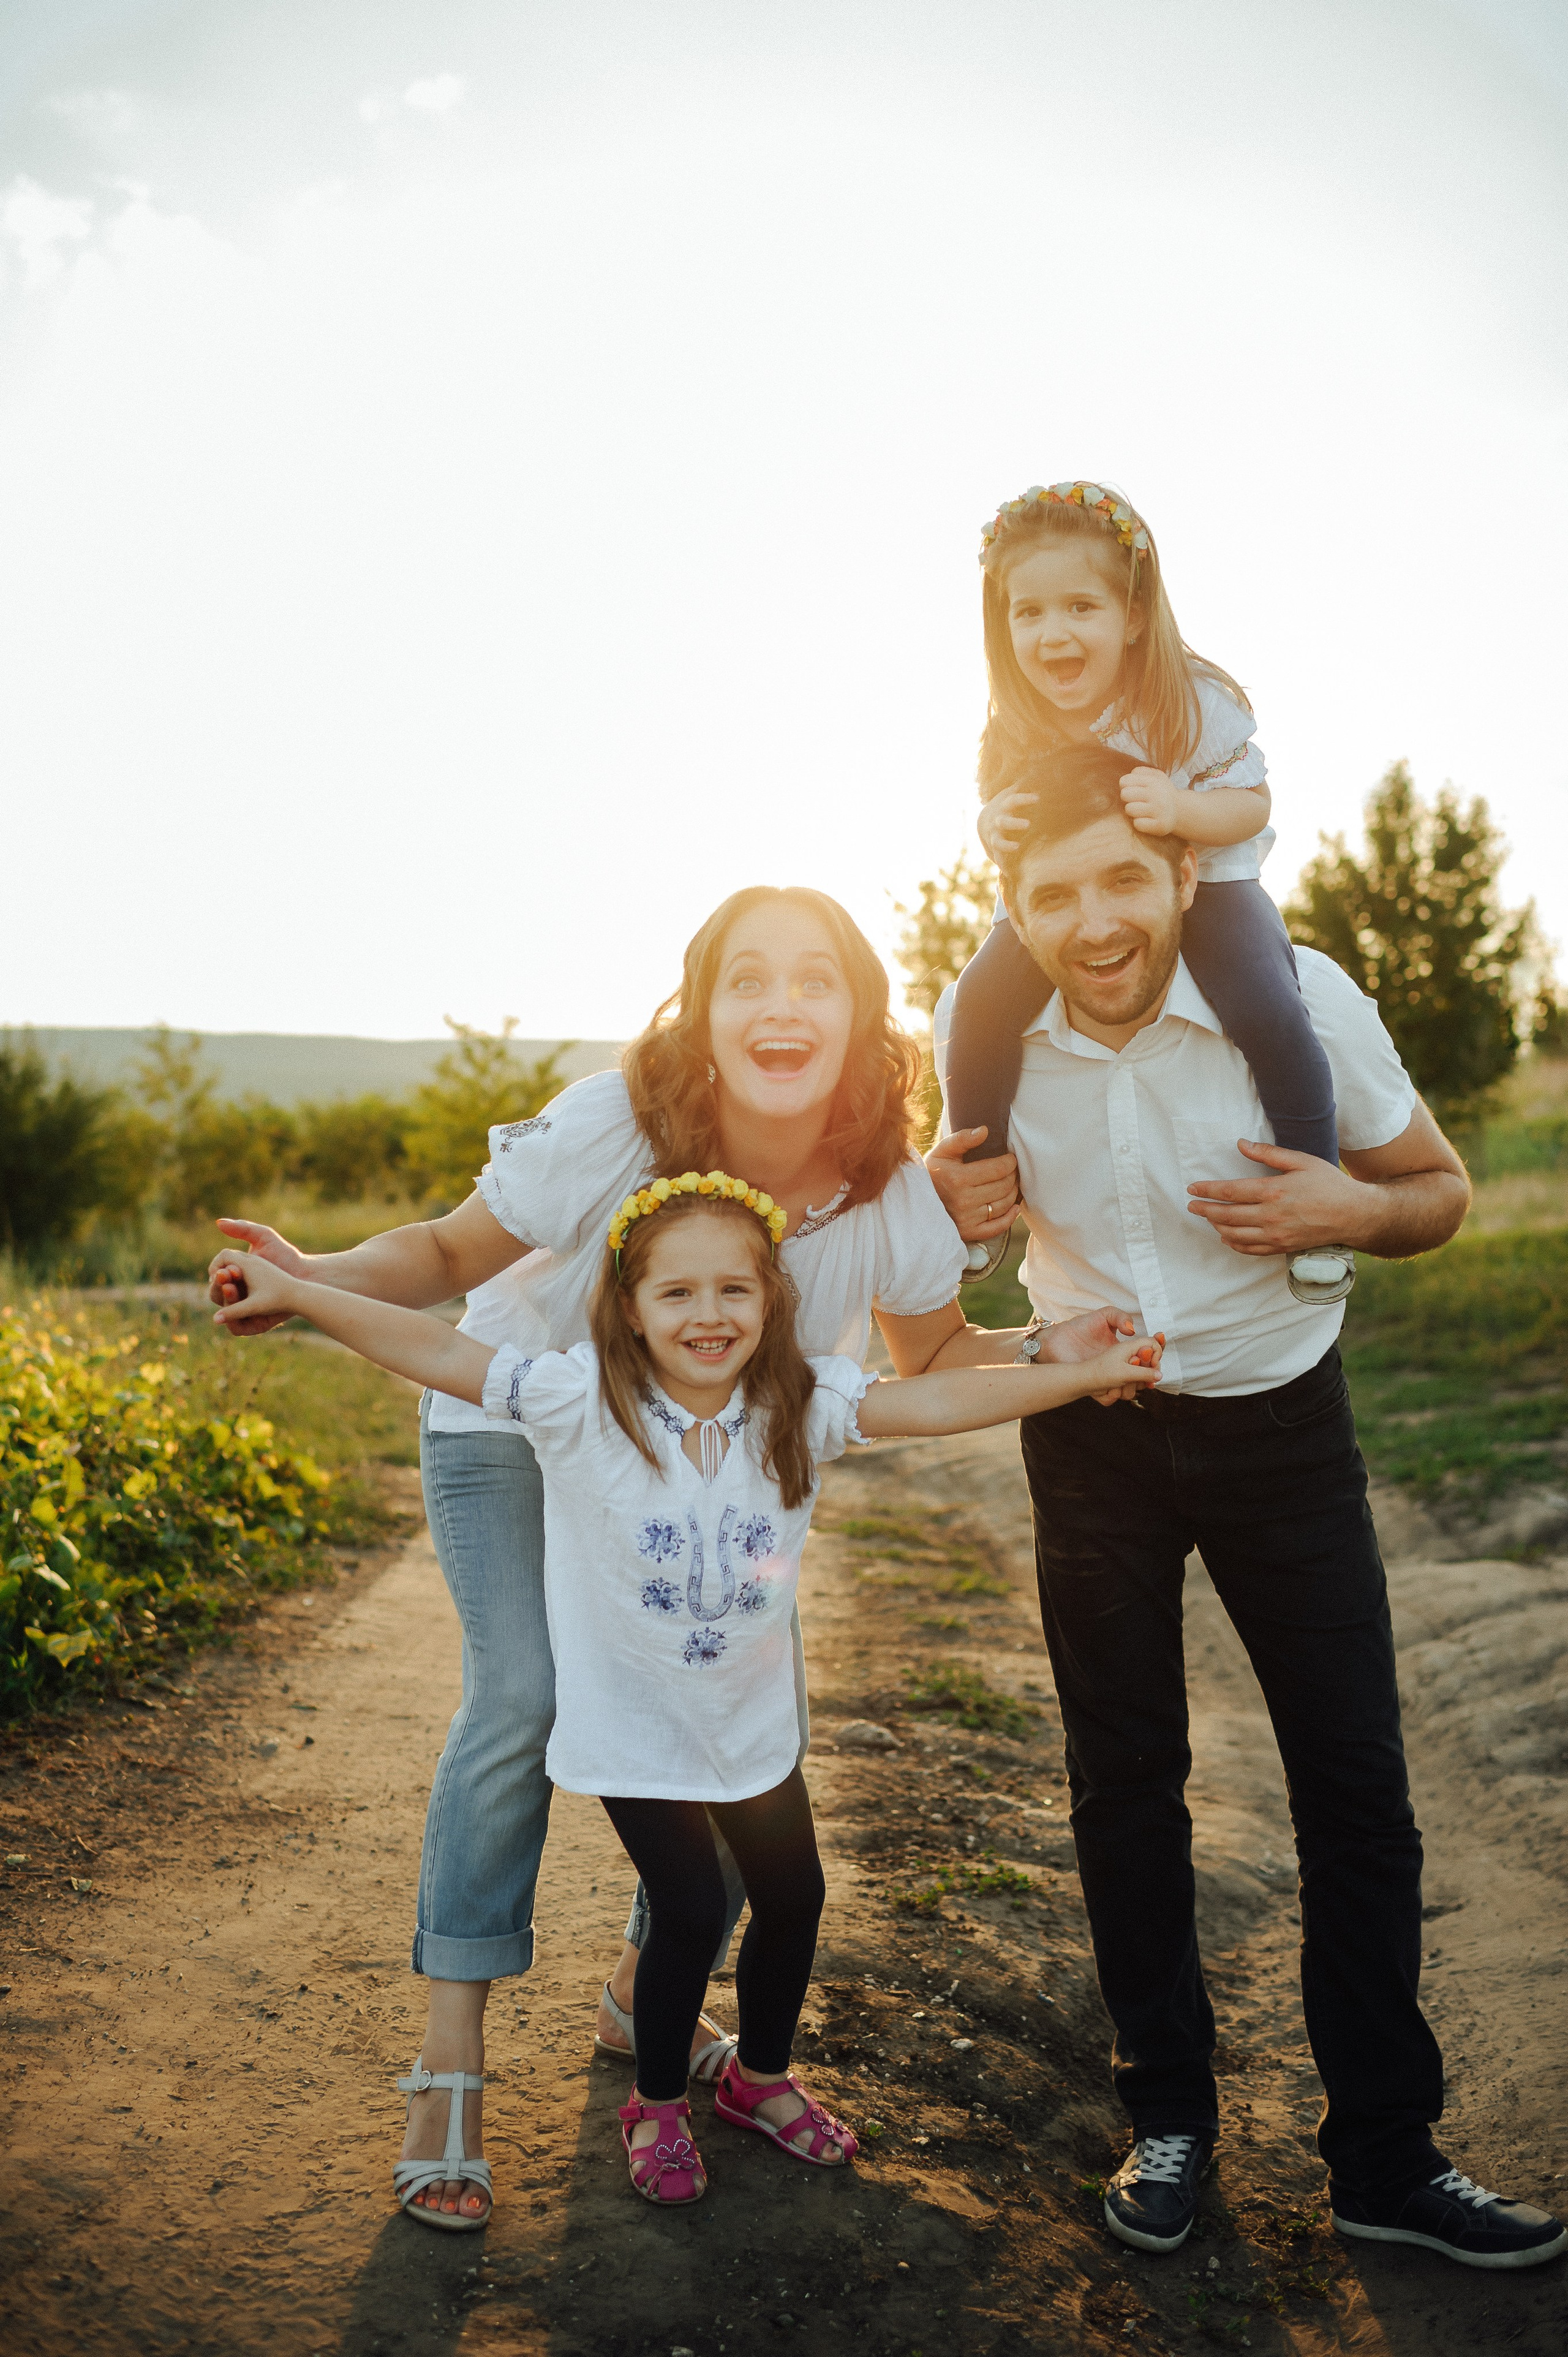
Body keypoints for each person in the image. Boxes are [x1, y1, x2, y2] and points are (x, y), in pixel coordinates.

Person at [208, 884, 1137, 2226]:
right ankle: (449, 2057)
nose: (780, 1006)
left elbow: (927, 1362)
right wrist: (313, 1277)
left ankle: (648, 1990)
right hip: (520, 1416)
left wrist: (1059, 1358)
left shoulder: (886, 1187)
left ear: (861, 1008)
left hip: (708, 1471)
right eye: (745, 978)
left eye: (814, 978)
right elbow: (449, 1254)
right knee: (524, 1697)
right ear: (702, 1007)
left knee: (727, 1683)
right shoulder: (618, 1122)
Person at [927, 741, 1566, 2272]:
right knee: (1122, 1783)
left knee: (1353, 1784)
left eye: (1123, 882)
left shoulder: (1300, 997)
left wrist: (1353, 1208)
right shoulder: (986, 1052)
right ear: (1013, 906)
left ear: (1178, 875)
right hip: (1094, 1442)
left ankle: (1385, 2158)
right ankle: (1168, 2123)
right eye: (1053, 892)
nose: (1094, 922)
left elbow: (1438, 1189)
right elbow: (930, 1304)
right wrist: (963, 1248)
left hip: (1283, 1426)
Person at [946, 479, 1348, 1307]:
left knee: (1268, 1007)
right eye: (1030, 614)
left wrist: (1183, 811)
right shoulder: (1014, 723)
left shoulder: (1189, 699)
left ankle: (1321, 1196)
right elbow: (1001, 820)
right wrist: (993, 829)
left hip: (1212, 886)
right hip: (1068, 897)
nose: (1053, 632)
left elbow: (1255, 801)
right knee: (979, 1004)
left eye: (1080, 608)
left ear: (1132, 614)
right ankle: (980, 1190)